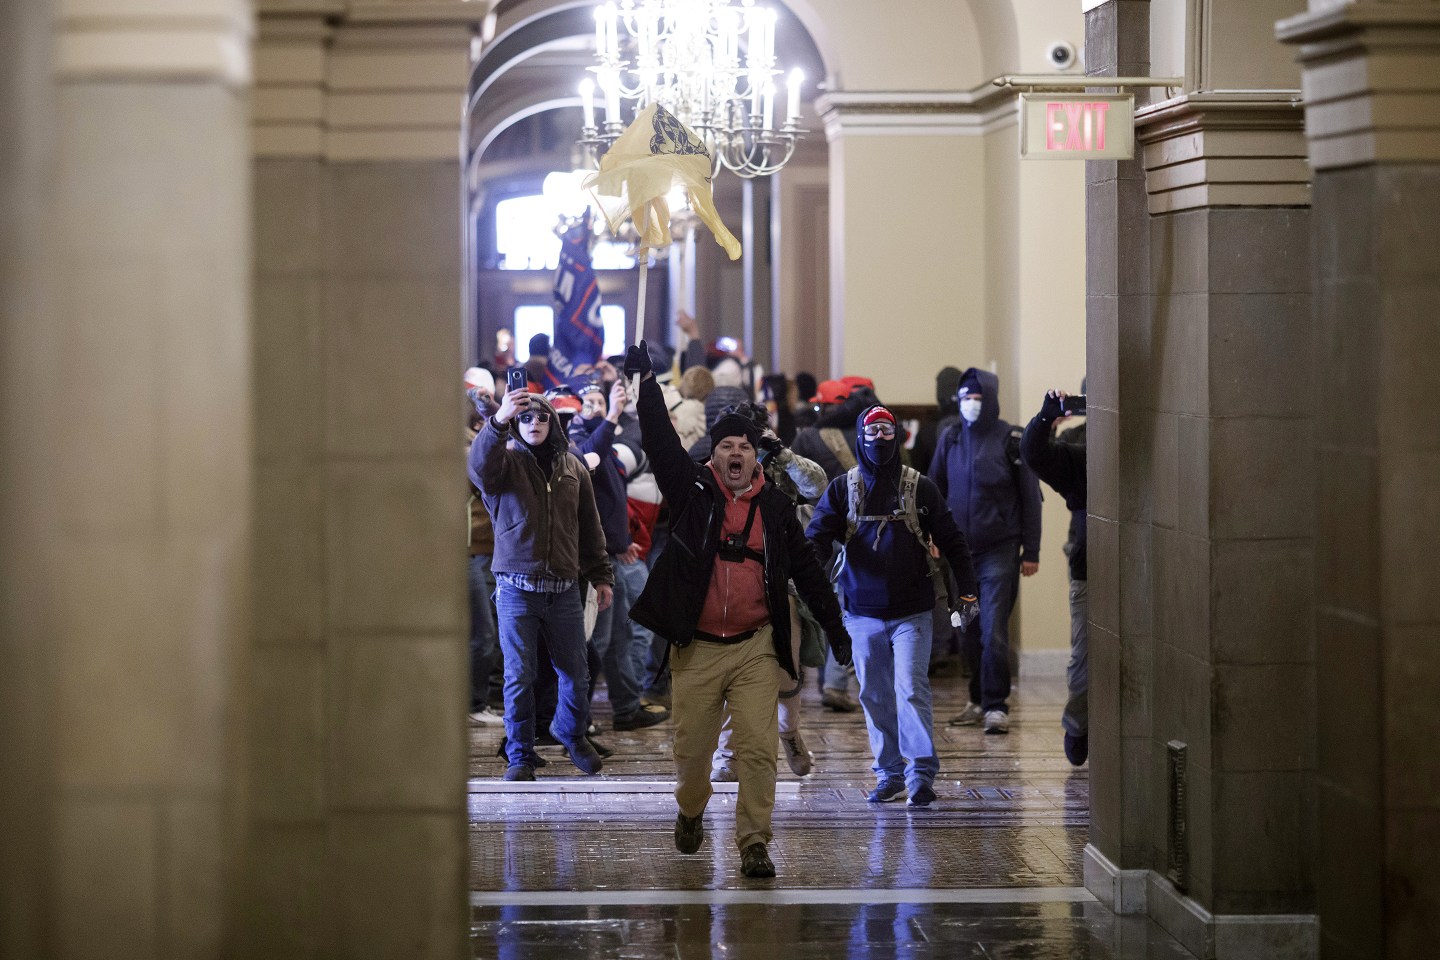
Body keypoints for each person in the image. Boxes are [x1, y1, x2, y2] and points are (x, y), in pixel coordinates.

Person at [623, 341, 851, 880]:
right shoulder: (691, 492)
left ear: (754, 456)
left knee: (755, 749)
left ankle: (754, 841)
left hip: (754, 647)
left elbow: (807, 571)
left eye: (743, 448)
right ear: (713, 455)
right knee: (694, 757)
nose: (734, 454)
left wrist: (837, 631)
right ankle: (690, 808)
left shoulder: (774, 506)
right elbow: (658, 440)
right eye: (725, 445)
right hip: (697, 648)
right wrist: (645, 384)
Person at [808, 404, 979, 806]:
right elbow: (815, 538)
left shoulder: (920, 488)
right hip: (861, 612)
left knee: (911, 688)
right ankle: (889, 773)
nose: (880, 441)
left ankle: (920, 773)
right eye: (873, 432)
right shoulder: (842, 488)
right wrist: (810, 578)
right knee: (874, 694)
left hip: (913, 612)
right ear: (859, 436)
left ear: (898, 435)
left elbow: (953, 542)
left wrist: (967, 593)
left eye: (888, 432)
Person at [469, 388, 614, 780]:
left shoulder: (573, 467)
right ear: (517, 422)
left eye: (542, 418)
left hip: (564, 587)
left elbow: (590, 527)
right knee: (519, 676)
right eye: (527, 418)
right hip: (516, 588)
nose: (535, 423)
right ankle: (520, 755)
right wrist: (498, 421)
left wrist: (601, 576)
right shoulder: (505, 463)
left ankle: (571, 732)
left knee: (576, 672)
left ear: (553, 424)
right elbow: (479, 468)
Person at [709, 401, 829, 782]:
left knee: (786, 664)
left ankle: (789, 732)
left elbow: (819, 487)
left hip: (781, 580)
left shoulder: (780, 466)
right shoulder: (710, 470)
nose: (741, 449)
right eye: (732, 440)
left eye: (750, 439)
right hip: (725, 580)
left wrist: (782, 452)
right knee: (726, 667)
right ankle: (728, 754)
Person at [930, 368, 1042, 735]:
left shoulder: (1011, 439)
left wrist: (1032, 551)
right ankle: (976, 700)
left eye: (978, 399)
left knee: (993, 627)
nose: (971, 405)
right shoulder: (950, 438)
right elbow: (935, 491)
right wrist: (932, 535)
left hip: (1000, 552)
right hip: (960, 555)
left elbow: (1030, 499)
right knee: (968, 629)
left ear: (990, 400)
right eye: (965, 399)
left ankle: (996, 706)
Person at [569, 377, 668, 731]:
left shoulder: (607, 444)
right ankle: (578, 717)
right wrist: (611, 414)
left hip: (613, 555)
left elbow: (613, 500)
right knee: (596, 640)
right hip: (594, 562)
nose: (596, 407)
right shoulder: (576, 443)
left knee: (623, 637)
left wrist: (623, 539)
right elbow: (588, 463)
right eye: (589, 402)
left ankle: (626, 708)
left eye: (601, 401)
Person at [1021, 388, 1088, 766]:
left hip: (1148, 570)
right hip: (1090, 570)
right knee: (1085, 659)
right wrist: (1046, 419)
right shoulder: (1081, 454)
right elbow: (1035, 454)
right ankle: (1078, 726)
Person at [466, 371, 503, 726]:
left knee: (485, 630)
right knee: (483, 632)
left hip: (484, 548)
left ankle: (479, 700)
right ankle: (475, 703)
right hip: (471, 549)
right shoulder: (468, 446)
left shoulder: (475, 439)